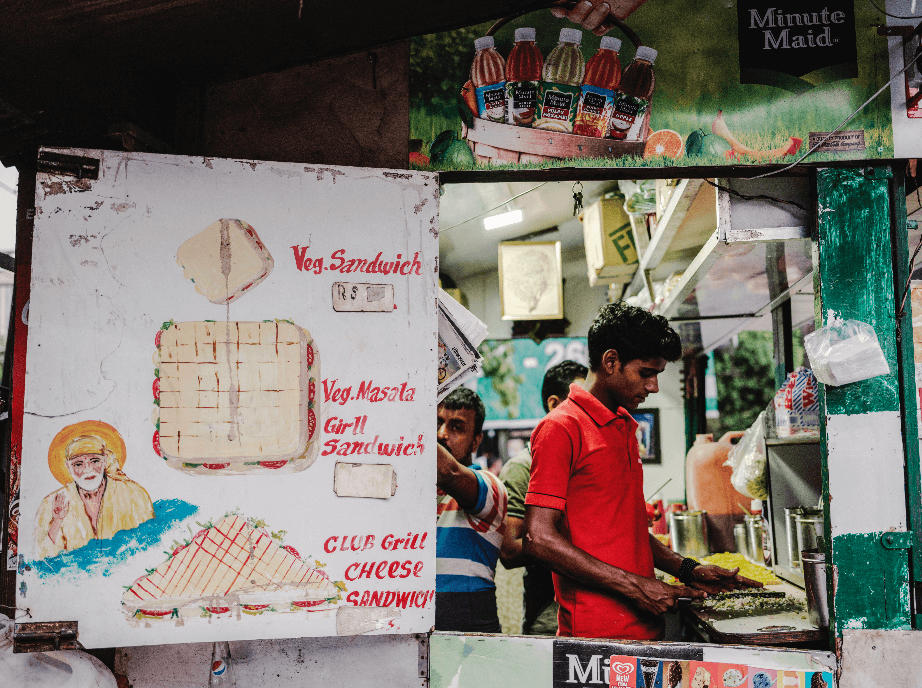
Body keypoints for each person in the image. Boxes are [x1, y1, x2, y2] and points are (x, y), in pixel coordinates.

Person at [523, 303, 761, 639]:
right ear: (610, 361)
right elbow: (539, 539)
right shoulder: (561, 428)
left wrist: (689, 569)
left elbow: (627, 532)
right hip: (595, 636)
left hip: (644, 627)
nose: (653, 387)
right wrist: (637, 587)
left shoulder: (622, 426)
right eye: (646, 372)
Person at [500, 359, 588, 636]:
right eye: (581, 401)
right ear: (554, 404)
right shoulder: (521, 468)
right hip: (549, 612)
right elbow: (510, 551)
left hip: (587, 603)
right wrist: (564, 540)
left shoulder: (581, 463)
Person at [435, 387, 508, 633]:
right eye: (436, 423)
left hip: (469, 628)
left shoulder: (491, 486)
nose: (442, 434)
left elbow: (449, 472)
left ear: (476, 440)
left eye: (456, 427)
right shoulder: (411, 493)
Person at [35, 420, 155, 559]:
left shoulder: (134, 494)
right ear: (68, 467)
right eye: (78, 464)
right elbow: (43, 559)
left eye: (94, 461)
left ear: (105, 461)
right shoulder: (50, 503)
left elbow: (150, 545)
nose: (88, 470)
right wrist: (57, 521)